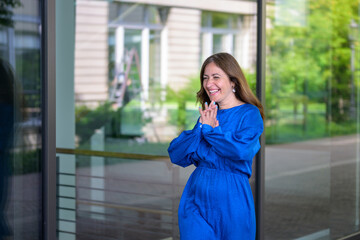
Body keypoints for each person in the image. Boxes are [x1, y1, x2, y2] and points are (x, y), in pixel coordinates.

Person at [168, 52, 264, 240]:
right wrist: (200, 129)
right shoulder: (208, 116)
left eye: (216, 77)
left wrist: (211, 132)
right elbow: (177, 156)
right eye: (205, 78)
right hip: (196, 195)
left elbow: (241, 151)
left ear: (233, 82)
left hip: (232, 197)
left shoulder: (249, 114)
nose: (209, 83)